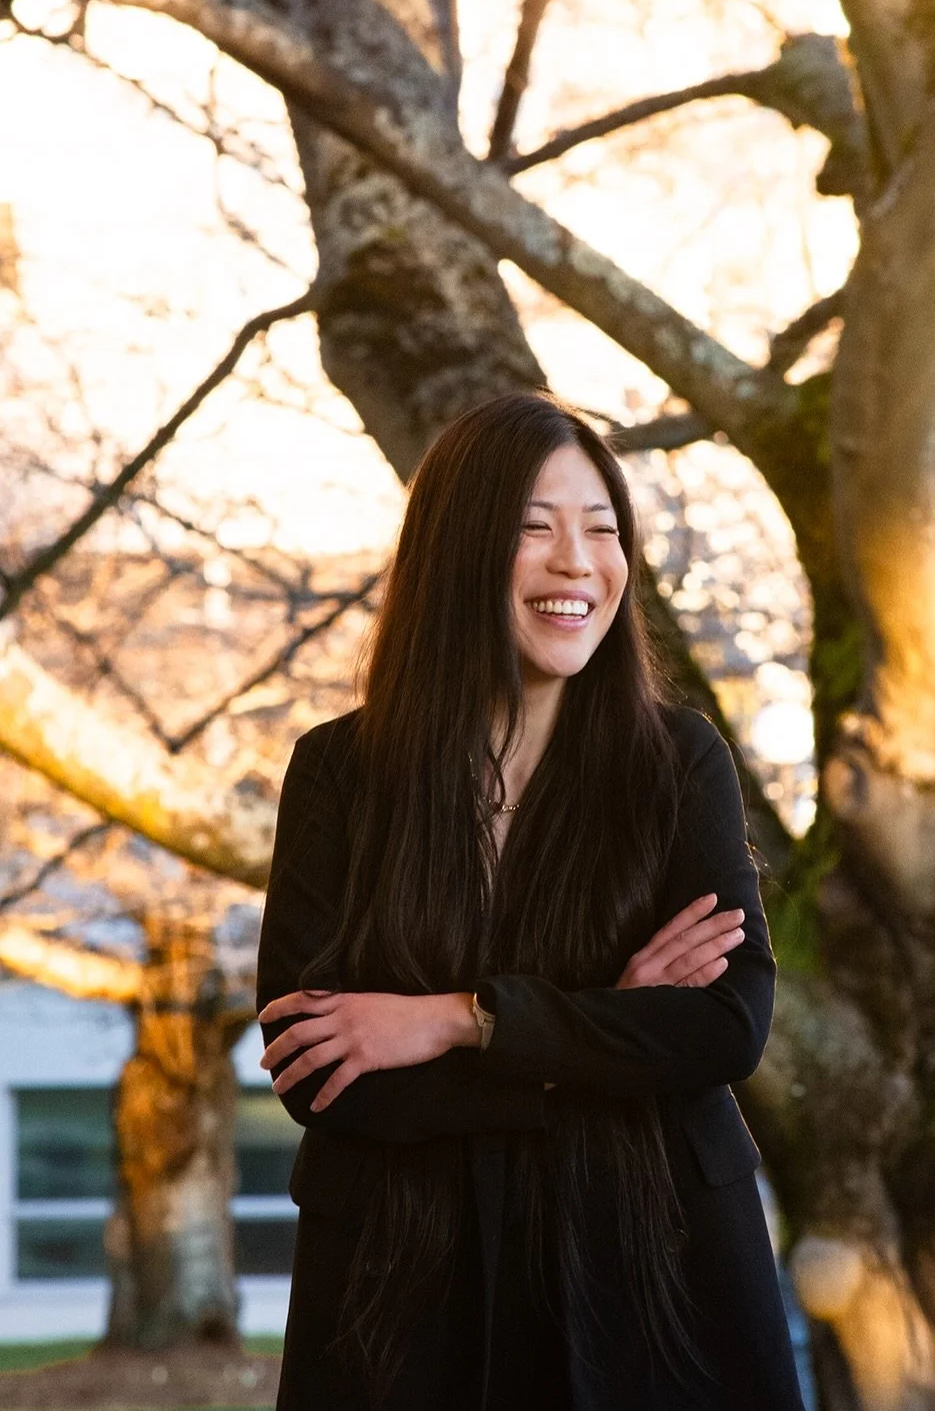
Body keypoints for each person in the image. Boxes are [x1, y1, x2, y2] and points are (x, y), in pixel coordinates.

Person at [256, 392, 805, 1411]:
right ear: (458, 551)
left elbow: (722, 1029)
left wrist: (454, 1022)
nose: (576, 563)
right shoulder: (339, 772)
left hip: (653, 1273)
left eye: (601, 530)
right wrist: (607, 1017)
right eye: (533, 529)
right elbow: (320, 1072)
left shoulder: (676, 760)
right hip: (405, 1294)